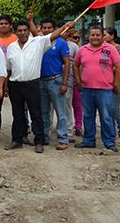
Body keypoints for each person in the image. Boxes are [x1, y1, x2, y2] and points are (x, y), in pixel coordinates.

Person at [5, 18, 74, 153]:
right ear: (15, 32)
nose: (23, 33)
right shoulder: (11, 47)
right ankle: (17, 140)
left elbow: (53, 35)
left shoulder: (38, 42)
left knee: (37, 114)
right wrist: (7, 85)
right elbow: (8, 68)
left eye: (25, 30)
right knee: (17, 115)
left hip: (33, 84)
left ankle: (39, 141)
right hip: (15, 85)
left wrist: (65, 26)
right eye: (19, 30)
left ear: (28, 31)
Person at [74, 25, 120, 152]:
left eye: (97, 35)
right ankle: (89, 141)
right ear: (89, 36)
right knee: (88, 116)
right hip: (87, 90)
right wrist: (78, 81)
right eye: (92, 35)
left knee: (106, 116)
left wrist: (116, 84)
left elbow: (119, 67)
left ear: (102, 36)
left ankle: (109, 142)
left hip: (105, 90)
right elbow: (76, 65)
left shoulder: (111, 49)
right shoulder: (82, 50)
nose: (95, 37)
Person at [37, 18, 71, 150]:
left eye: (49, 28)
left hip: (56, 80)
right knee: (44, 112)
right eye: (44, 28)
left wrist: (64, 83)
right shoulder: (39, 42)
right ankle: (44, 137)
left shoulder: (62, 43)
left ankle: (63, 139)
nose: (47, 30)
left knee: (61, 112)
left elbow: (67, 63)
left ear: (54, 29)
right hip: (41, 81)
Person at [0, 15, 17, 140]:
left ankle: (19, 135)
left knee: (18, 109)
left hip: (14, 76)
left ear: (11, 25)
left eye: (6, 23)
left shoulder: (16, 38)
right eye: (1, 23)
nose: (3, 25)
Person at [104, 27, 120, 146]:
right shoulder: (104, 48)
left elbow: (118, 65)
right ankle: (111, 134)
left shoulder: (117, 47)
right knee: (108, 108)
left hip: (116, 81)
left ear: (112, 36)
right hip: (106, 81)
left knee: (114, 108)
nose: (103, 37)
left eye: (105, 34)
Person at [63, 27, 80, 137]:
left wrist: (78, 80)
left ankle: (69, 129)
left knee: (67, 105)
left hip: (69, 79)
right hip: (50, 78)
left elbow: (78, 64)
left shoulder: (73, 46)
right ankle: (47, 131)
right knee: (48, 107)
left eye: (66, 31)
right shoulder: (49, 43)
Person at [67, 30, 83, 136]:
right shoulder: (67, 45)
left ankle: (78, 126)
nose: (76, 40)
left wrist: (79, 80)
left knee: (77, 104)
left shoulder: (77, 48)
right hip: (66, 79)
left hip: (76, 79)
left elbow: (79, 64)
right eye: (74, 37)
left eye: (78, 38)